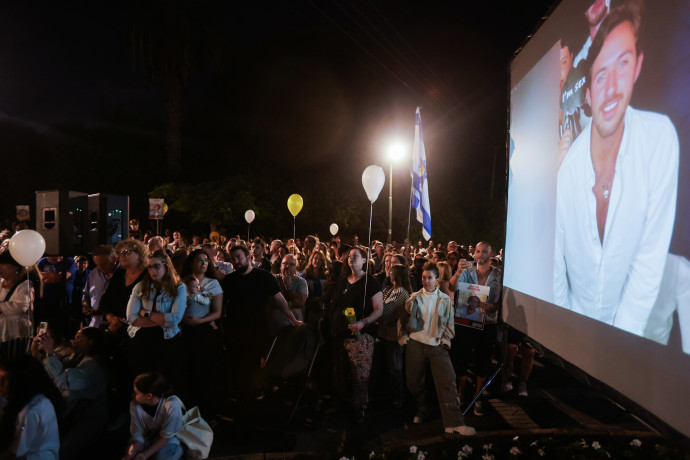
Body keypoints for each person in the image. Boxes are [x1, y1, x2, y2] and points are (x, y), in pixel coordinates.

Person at [554, 4, 679, 337]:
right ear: (589, 95)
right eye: (600, 75)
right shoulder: (567, 171)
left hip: (638, 343)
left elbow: (647, 268)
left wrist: (614, 351)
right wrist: (570, 342)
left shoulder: (659, 140)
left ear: (637, 67)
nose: (611, 88)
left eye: (622, 64)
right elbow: (556, 276)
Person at [399, 262, 475, 436]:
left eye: (429, 278)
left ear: (436, 280)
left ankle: (454, 422)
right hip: (415, 344)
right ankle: (421, 411)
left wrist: (446, 341)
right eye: (423, 277)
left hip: (437, 346)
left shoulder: (445, 299)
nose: (426, 281)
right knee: (413, 383)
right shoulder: (414, 297)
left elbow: (449, 323)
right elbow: (405, 315)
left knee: (448, 382)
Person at [220, 245, 302, 399]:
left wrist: (293, 319)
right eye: (233, 259)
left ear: (249, 257)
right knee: (235, 364)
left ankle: (251, 398)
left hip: (256, 330)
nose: (236, 261)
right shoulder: (229, 280)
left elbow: (280, 300)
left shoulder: (264, 277)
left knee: (252, 365)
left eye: (239, 257)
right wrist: (220, 325)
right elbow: (221, 304)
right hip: (234, 330)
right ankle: (235, 397)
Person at [33, 327, 109, 458]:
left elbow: (64, 381)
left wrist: (50, 352)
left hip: (84, 418)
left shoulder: (94, 365)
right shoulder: (76, 357)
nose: (74, 341)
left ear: (91, 341)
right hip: (69, 413)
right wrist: (36, 350)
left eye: (79, 338)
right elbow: (51, 373)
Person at [329, 246, 383, 423]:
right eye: (350, 256)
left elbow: (379, 309)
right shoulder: (343, 280)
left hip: (360, 336)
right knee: (341, 372)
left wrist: (364, 322)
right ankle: (344, 403)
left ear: (364, 260)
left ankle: (360, 406)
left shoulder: (370, 282)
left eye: (356, 256)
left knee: (360, 373)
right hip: (339, 334)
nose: (351, 259)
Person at [450, 242, 502, 416]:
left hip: (488, 325)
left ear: (491, 253)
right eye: (478, 251)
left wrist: (493, 306)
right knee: (462, 359)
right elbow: (452, 287)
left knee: (483, 362)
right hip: (466, 322)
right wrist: (457, 272)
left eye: (484, 251)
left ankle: (478, 398)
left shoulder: (498, 275)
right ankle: (460, 395)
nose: (480, 254)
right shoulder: (467, 271)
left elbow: (503, 300)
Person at [126, 250, 186, 393]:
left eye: (156, 266)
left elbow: (175, 319)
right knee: (143, 381)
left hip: (167, 338)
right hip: (143, 338)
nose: (152, 270)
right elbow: (131, 318)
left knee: (164, 382)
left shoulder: (179, 287)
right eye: (149, 267)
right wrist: (161, 319)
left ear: (166, 266)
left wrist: (146, 313)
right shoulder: (141, 286)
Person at [179, 250, 223, 420]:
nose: (204, 263)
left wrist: (199, 321)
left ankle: (208, 414)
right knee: (187, 371)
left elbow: (217, 312)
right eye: (200, 260)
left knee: (204, 372)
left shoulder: (213, 284)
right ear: (192, 263)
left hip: (203, 331)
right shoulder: (182, 282)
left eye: (206, 260)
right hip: (184, 331)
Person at [0, 356, 64, 460]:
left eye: (5, 379)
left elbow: (15, 454)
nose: (0, 383)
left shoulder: (32, 410)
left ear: (19, 381)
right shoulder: (30, 397)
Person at [369, 264, 410, 409]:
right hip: (381, 334)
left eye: (392, 272)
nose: (389, 273)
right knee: (374, 367)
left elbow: (385, 312)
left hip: (393, 336)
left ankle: (398, 398)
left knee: (395, 369)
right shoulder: (388, 289)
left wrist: (376, 310)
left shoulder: (402, 293)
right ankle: (370, 394)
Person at [124, 371, 184, 460]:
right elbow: (138, 436)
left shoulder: (171, 405)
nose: (133, 395)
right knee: (129, 452)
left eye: (136, 393)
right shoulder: (134, 405)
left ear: (148, 396)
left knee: (161, 457)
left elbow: (165, 438)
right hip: (147, 440)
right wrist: (130, 454)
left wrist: (142, 456)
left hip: (168, 442)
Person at [0, 251, 36, 357]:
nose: (0, 268)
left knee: (14, 366)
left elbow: (21, 307)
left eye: (3, 265)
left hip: (16, 335)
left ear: (16, 266)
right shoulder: (1, 283)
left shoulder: (25, 285)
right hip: (1, 334)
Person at [82, 245, 119, 328]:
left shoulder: (124, 274)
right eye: (97, 264)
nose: (100, 268)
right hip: (95, 324)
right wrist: (85, 306)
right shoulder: (93, 274)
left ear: (114, 259)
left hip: (115, 324)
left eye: (103, 264)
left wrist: (102, 310)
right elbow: (86, 294)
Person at [273, 254, 308, 329]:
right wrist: (291, 303)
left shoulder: (301, 282)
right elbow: (270, 301)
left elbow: (300, 302)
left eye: (291, 264)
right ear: (280, 266)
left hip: (294, 320)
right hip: (276, 319)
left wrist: (289, 287)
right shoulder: (273, 279)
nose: (287, 266)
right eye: (285, 263)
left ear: (296, 268)